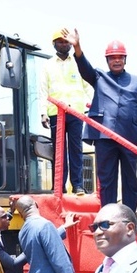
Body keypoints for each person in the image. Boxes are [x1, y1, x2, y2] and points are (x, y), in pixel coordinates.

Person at [63, 28, 137, 210]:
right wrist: (77, 47)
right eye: (112, 57)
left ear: (125, 59)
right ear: (107, 60)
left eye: (119, 57)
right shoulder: (99, 77)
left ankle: (129, 214)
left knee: (131, 179)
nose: (116, 60)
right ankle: (109, 215)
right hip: (105, 137)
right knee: (106, 179)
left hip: (129, 137)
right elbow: (84, 69)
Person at [39, 28, 93, 195]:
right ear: (54, 44)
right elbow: (43, 90)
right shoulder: (48, 65)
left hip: (76, 111)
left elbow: (88, 85)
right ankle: (59, 185)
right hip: (56, 112)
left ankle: (77, 185)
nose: (63, 44)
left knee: (76, 149)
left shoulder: (77, 62)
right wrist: (43, 113)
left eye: (66, 42)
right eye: (60, 42)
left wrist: (91, 105)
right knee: (59, 150)